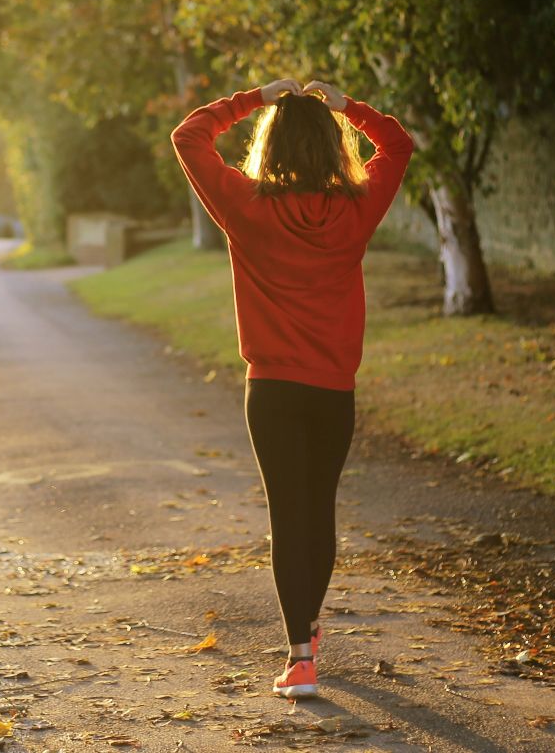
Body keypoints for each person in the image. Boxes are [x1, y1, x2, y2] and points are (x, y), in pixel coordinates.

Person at [169, 76, 414, 699]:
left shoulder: (246, 206)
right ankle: (305, 629)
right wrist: (347, 107)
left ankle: (300, 655)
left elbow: (189, 136)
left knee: (288, 513)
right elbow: (399, 144)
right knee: (319, 510)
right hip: (333, 390)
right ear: (334, 149)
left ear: (270, 147)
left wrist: (254, 98)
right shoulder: (357, 209)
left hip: (272, 389)